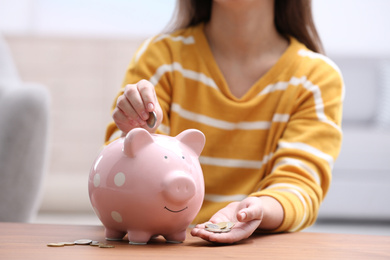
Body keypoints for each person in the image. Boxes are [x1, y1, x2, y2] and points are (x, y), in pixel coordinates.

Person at [105, 0, 344, 244]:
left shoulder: (316, 79)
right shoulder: (161, 57)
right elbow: (114, 176)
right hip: (162, 247)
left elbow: (299, 185)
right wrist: (136, 139)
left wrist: (256, 210)